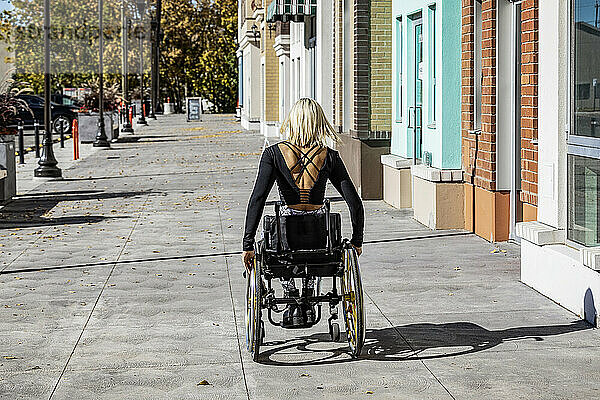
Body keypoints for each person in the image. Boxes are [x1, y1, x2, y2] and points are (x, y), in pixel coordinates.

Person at [242, 98, 364, 326]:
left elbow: (257, 199)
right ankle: (309, 288)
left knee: (278, 239)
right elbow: (355, 203)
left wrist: (247, 244)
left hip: (285, 233)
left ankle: (289, 291)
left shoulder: (273, 154)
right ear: (319, 122)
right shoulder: (329, 155)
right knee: (318, 242)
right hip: (319, 233)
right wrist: (357, 241)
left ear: (293, 121)